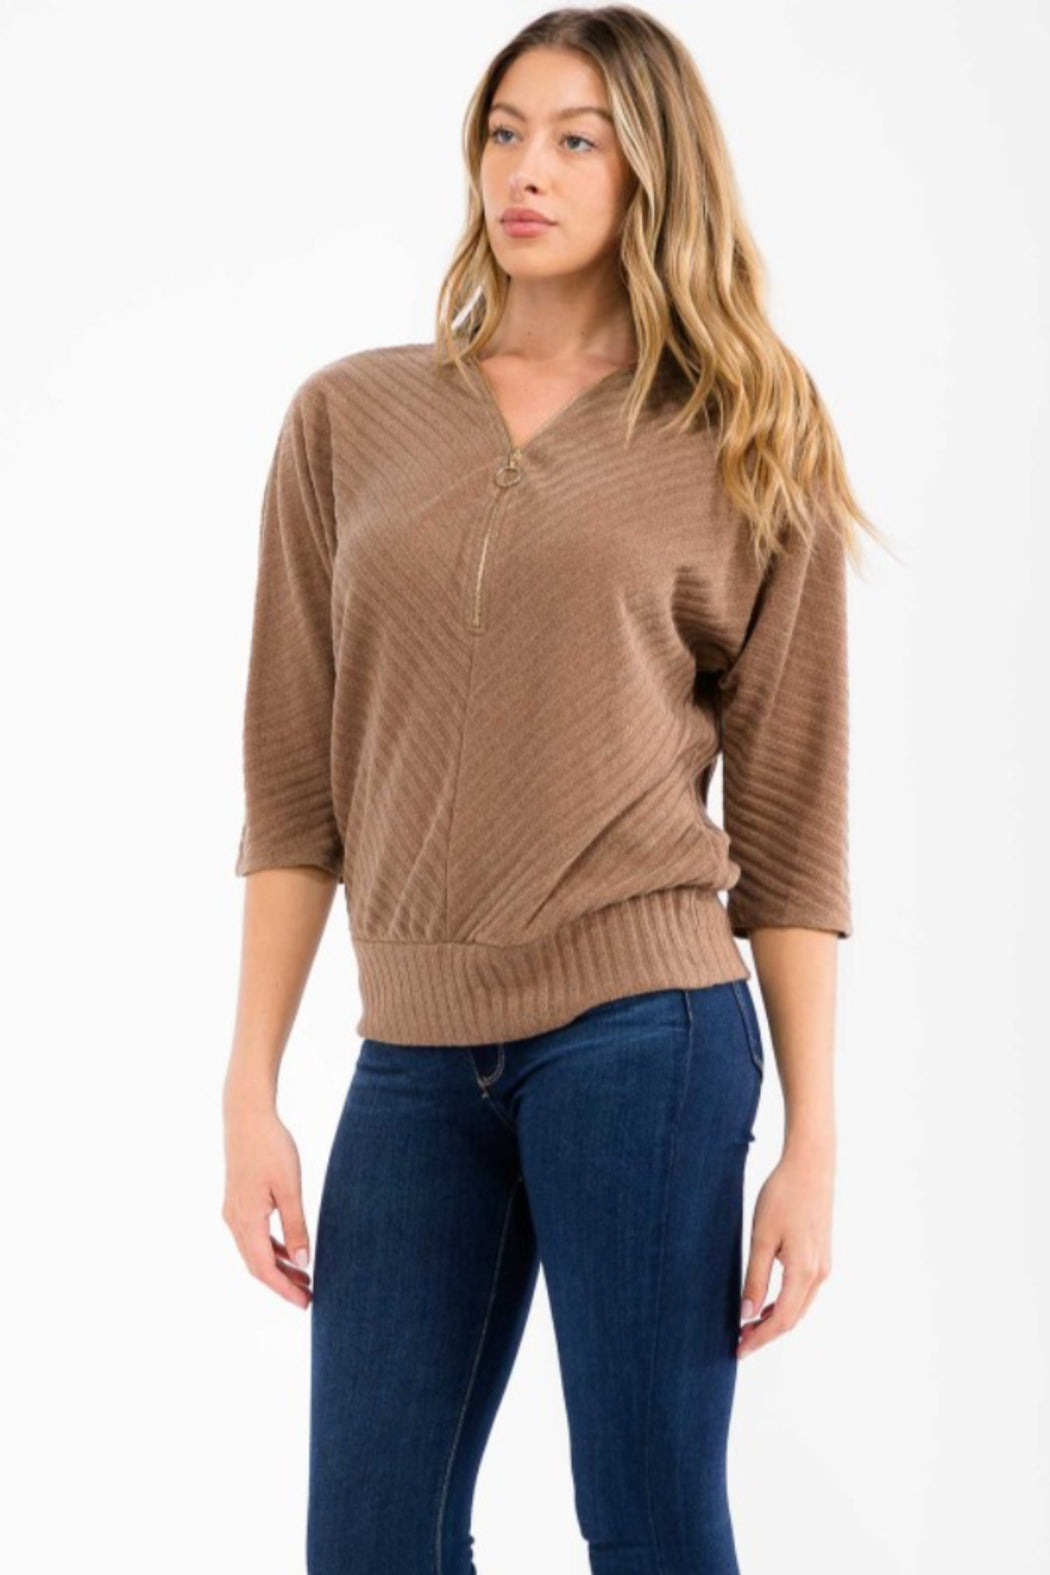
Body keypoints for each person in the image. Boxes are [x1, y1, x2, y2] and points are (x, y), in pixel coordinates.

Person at [222, 8, 884, 1572]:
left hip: (643, 1037)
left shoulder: (743, 430)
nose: (526, 170)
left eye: (578, 139)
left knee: (648, 1526)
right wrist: (251, 1088)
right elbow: (292, 782)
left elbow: (791, 827)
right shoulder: (349, 417)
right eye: (506, 132)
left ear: (653, 170)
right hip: (409, 1053)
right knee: (369, 1541)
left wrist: (811, 1143)